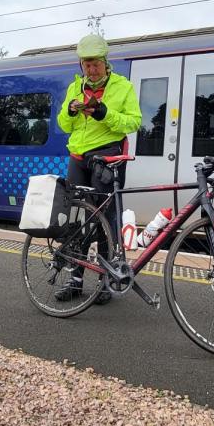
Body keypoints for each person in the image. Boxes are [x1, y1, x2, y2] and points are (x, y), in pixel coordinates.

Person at [54, 33, 141, 302]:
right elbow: (63, 126)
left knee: (104, 221)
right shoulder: (75, 88)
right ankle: (75, 280)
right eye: (86, 65)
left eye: (96, 64)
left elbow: (134, 122)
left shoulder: (122, 87)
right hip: (77, 158)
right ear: (81, 64)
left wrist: (105, 114)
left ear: (106, 62)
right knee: (77, 220)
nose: (91, 70)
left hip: (106, 158)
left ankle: (106, 281)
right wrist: (69, 111)